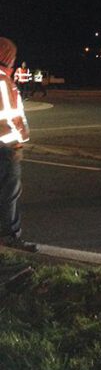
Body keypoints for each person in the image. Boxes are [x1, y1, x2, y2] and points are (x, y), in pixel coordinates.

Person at [0, 39, 38, 252]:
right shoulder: (2, 80)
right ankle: (9, 235)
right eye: (12, 56)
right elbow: (7, 117)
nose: (14, 60)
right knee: (9, 192)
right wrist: (19, 141)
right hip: (5, 146)